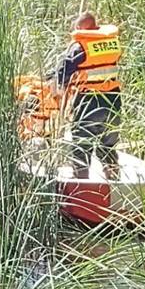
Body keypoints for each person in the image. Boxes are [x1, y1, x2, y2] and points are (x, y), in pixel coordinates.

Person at [55, 11, 123, 180]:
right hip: (113, 100)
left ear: (79, 27)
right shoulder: (112, 43)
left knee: (82, 143)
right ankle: (113, 178)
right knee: (108, 144)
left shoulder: (80, 47)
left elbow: (64, 70)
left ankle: (80, 180)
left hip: (89, 101)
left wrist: (59, 87)